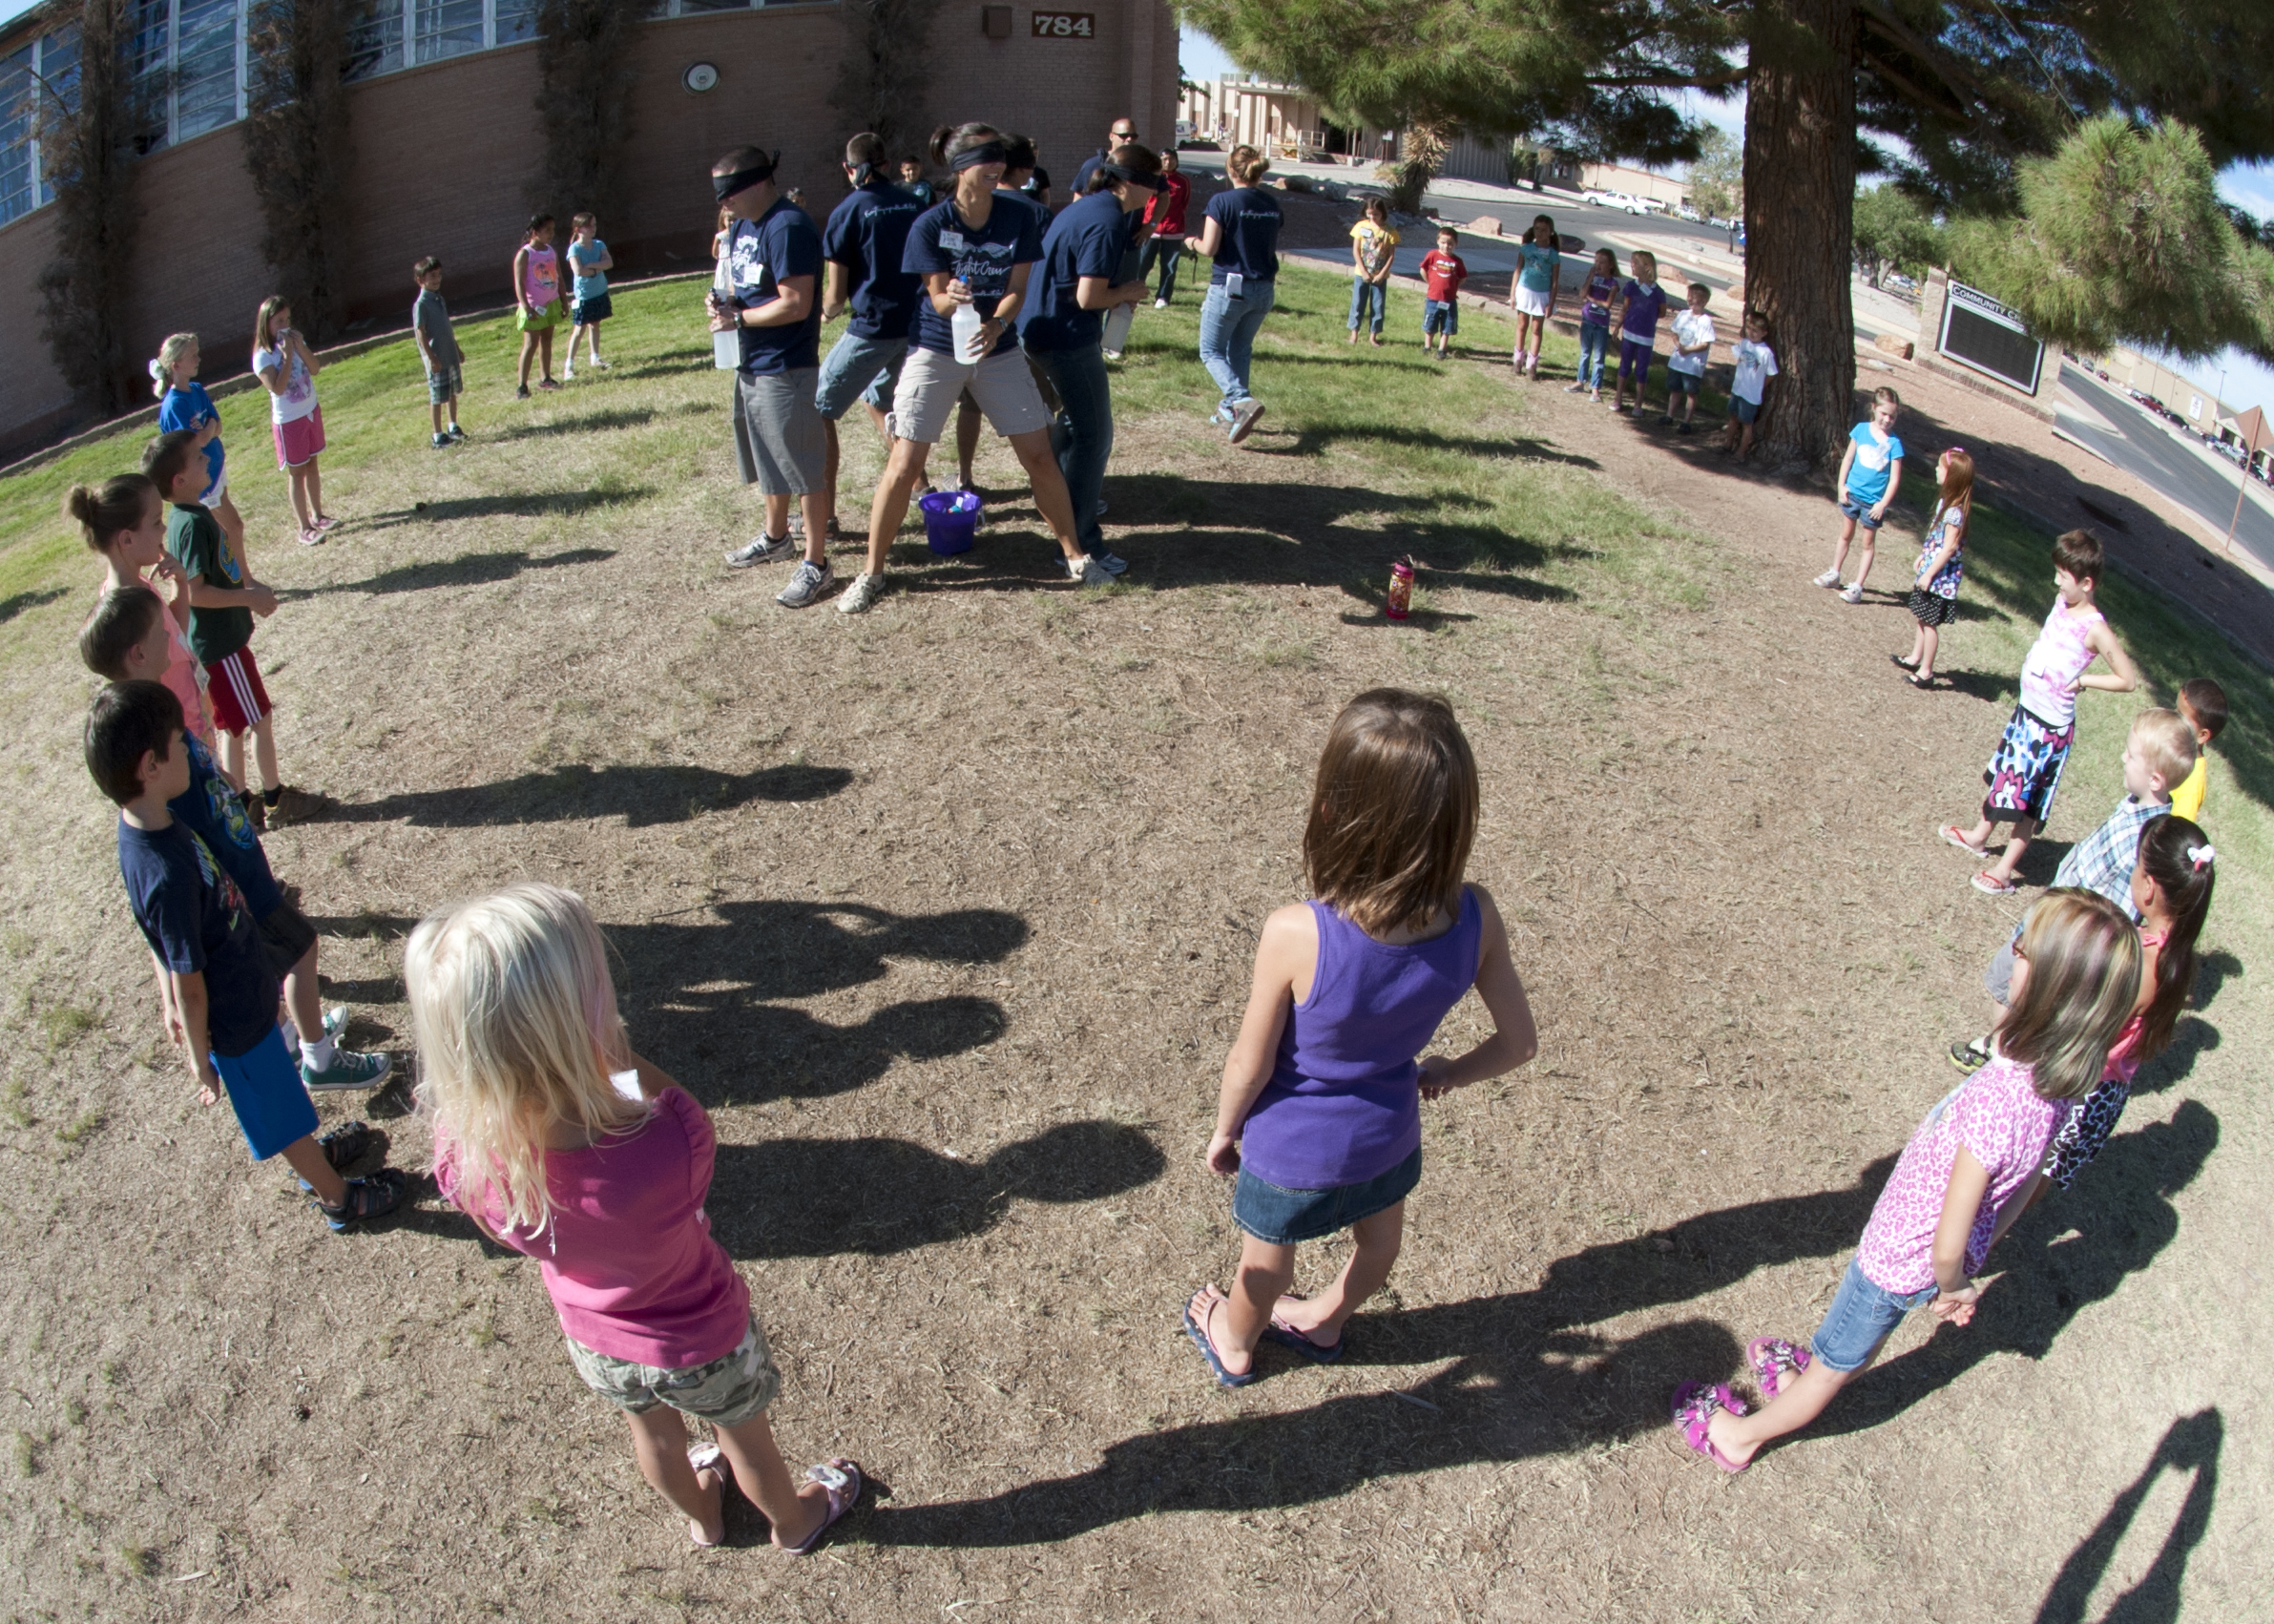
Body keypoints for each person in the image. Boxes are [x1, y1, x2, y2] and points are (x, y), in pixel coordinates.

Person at [415, 884, 861, 1552]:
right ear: (581, 1019)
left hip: (595, 1340)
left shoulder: (465, 1156)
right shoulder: (667, 1142)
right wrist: (611, 1052)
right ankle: (795, 1522)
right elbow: (673, 1104)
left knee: (652, 1437)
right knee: (747, 1442)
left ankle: (703, 1519)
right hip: (702, 1337)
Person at [1672, 889, 2139, 1471]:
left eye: (2020, 950)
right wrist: (1977, 1254)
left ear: (2048, 986)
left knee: (1835, 1365)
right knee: (1856, 1346)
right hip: (1923, 1259)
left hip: (1899, 1255)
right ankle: (1814, 1371)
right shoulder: (2059, 1084)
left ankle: (1742, 1435)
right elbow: (2017, 1193)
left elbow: (1949, 1236)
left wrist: (1956, 1282)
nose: (2009, 956)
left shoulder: (2003, 1097)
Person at [1182, 690, 1539, 1385]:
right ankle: (1325, 1318)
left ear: (1332, 813)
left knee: (1264, 1261)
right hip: (1388, 1136)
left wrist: (1225, 1130)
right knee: (1378, 1241)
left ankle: (1233, 1340)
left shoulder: (1297, 931)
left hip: (1291, 1149)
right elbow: (1518, 1044)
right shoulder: (1477, 916)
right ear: (1455, 818)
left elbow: (1248, 1062)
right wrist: (1444, 1071)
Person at [86, 681, 407, 1229]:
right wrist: (197, 1054)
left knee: (284, 1094)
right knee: (277, 1116)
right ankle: (338, 1199)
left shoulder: (159, 819)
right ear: (149, 764)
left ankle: (315, 1159)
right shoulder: (161, 869)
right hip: (233, 1024)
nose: (190, 748)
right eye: (177, 742)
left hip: (247, 991)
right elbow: (185, 976)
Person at [80, 590, 393, 1093]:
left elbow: (193, 772)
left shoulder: (149, 714)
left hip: (240, 869)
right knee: (302, 950)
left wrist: (217, 773)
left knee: (280, 966)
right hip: (237, 881)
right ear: (138, 654)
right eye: (160, 632)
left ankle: (296, 1034)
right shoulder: (145, 738)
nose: (171, 637)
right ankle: (318, 1057)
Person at [843, 122, 1114, 615]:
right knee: (904, 463)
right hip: (936, 347)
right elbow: (936, 297)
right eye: (987, 159)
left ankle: (1076, 556)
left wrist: (995, 324)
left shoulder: (1019, 216)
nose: (998, 168)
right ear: (961, 166)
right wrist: (955, 300)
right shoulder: (930, 224)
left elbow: (1018, 288)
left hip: (998, 348)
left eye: (1000, 159)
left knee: (1038, 455)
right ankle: (871, 573)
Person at [1947, 706, 2195, 1071]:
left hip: (2065, 936)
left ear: (2155, 779)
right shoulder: (2136, 811)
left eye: (2131, 754)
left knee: (2014, 987)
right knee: (2013, 984)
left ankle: (1999, 1053)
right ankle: (2004, 1047)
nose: (2122, 757)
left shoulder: (2147, 842)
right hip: (2055, 917)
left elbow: (2120, 913)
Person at [1938, 530, 2141, 894]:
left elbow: (2127, 680)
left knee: (2028, 802)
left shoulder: (2095, 628)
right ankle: (1978, 836)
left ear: (2087, 582)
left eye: (2063, 576)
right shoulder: (2061, 603)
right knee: (2004, 778)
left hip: (2050, 731)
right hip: (2026, 715)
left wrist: (2085, 682)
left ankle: (2003, 871)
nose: (2055, 581)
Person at [2030, 818, 2214, 1200]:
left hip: (2082, 1086)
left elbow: (2093, 1026)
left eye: (2136, 866)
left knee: (2027, 1171)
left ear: (2147, 887)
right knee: (2037, 1175)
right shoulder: (2173, 954)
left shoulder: (2143, 963)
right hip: (2105, 1088)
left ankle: (1985, 1235)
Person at [1019, 142, 1162, 585]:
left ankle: (1059, 512)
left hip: (1039, 329)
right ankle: (1081, 543)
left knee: (1073, 428)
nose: (1157, 191)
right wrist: (1129, 293)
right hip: (1065, 338)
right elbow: (1088, 297)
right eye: (1155, 182)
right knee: (1095, 437)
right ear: (1134, 183)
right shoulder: (1105, 220)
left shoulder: (1089, 207)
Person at [706, 145, 835, 609]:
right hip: (751, 362)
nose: (722, 203)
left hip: (787, 365)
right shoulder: (742, 224)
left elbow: (795, 303)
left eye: (728, 193)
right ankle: (776, 537)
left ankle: (817, 562)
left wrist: (738, 320)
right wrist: (723, 304)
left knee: (801, 465)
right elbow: (745, 287)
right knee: (766, 457)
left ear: (757, 183)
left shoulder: (789, 226)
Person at [147, 428, 292, 826]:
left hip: (219, 647)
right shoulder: (191, 524)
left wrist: (249, 585)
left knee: (234, 727)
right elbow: (197, 592)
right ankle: (277, 800)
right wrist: (249, 598)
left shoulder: (189, 515)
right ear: (179, 480)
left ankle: (244, 803)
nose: (207, 460)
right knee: (259, 719)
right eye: (197, 458)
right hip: (221, 648)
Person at [798, 133, 926, 568]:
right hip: (917, 324)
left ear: (849, 168)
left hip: (873, 328)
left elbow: (834, 297)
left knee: (816, 409)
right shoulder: (914, 202)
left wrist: (821, 314)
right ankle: (922, 490)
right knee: (883, 401)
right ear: (887, 163)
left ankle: (825, 515)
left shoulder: (846, 212)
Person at [72, 471, 216, 758]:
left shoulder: (139, 584)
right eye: (155, 523)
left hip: (194, 719)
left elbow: (176, 634)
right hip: (178, 738)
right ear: (126, 539)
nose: (164, 530)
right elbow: (146, 688)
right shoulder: (124, 609)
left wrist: (180, 585)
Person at [949, 134, 1051, 495]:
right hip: (1014, 327)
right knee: (1038, 411)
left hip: (992, 330)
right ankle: (1047, 479)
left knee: (974, 407)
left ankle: (964, 475)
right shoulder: (1036, 211)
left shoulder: (1020, 213)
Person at [1195, 144, 1282, 445]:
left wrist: (1191, 243)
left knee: (1210, 350)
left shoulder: (1222, 201)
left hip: (1231, 288)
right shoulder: (1272, 204)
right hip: (1264, 288)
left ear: (1230, 170)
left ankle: (1240, 399)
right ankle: (1231, 411)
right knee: (1240, 349)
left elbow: (1209, 248)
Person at [151, 333, 248, 563]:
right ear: (176, 365)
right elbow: (195, 444)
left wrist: (209, 427)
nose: (198, 359)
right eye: (192, 356)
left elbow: (218, 425)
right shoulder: (174, 404)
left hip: (214, 469)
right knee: (231, 527)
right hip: (200, 479)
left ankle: (237, 581)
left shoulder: (196, 389)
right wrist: (207, 429)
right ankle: (244, 581)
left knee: (227, 529)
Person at [250, 297, 332, 545]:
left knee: (313, 464)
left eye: (288, 319)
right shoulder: (263, 357)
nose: (285, 326)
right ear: (266, 324)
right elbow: (277, 387)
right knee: (297, 473)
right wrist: (286, 357)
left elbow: (315, 368)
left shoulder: (297, 341)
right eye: (279, 321)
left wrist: (300, 348)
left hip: (310, 411)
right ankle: (304, 527)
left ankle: (317, 515)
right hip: (289, 421)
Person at [1813, 386, 1904, 603]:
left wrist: (1882, 504)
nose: (1887, 419)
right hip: (1852, 494)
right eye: (1884, 413)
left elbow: (1894, 479)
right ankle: (1834, 573)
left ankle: (1857, 586)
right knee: (1845, 534)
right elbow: (1848, 459)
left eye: (1892, 416)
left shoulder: (1894, 444)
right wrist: (1841, 485)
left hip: (1873, 503)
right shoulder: (1861, 430)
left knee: (1867, 544)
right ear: (1873, 408)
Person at [1893, 448, 1972, 687]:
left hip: (1939, 578)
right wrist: (1923, 556)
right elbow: (1935, 540)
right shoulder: (1945, 504)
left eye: (1940, 467)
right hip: (1931, 571)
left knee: (1929, 623)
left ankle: (1926, 671)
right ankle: (1916, 657)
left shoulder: (1954, 513)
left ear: (1951, 476)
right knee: (1921, 615)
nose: (1936, 469)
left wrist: (1929, 572)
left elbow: (1948, 548)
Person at [411, 258, 466, 448]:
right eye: (432, 276)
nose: (437, 279)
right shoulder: (421, 305)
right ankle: (437, 435)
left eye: (439, 275)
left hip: (449, 355)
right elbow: (421, 333)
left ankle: (453, 426)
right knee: (437, 397)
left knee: (451, 392)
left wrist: (457, 348)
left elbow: (447, 328)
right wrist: (431, 357)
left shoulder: (439, 299)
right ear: (420, 280)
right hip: (437, 360)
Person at [1609, 251, 1669, 415]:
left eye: (1635, 263)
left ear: (1647, 267)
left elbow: (1662, 312)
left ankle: (1638, 404)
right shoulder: (1631, 286)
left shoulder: (1658, 292)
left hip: (1646, 337)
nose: (1632, 266)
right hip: (1629, 333)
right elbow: (1625, 307)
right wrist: (1618, 326)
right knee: (1624, 366)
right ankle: (1618, 398)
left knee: (1641, 370)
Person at [513, 214, 565, 397]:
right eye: (547, 230)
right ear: (535, 232)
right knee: (531, 343)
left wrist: (563, 301)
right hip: (533, 307)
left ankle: (546, 378)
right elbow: (519, 283)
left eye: (552, 230)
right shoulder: (525, 254)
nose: (551, 234)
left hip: (551, 303)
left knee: (547, 340)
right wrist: (526, 307)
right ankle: (522, 386)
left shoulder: (551, 251)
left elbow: (558, 277)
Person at [1137, 150, 1192, 307]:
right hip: (1151, 228)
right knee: (1143, 262)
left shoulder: (1183, 181)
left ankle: (1163, 296)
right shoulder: (1151, 178)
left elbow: (1184, 203)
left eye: (1172, 159)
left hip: (1173, 229)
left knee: (1169, 265)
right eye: (1165, 159)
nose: (1168, 162)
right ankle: (1136, 292)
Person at [564, 214, 615, 380]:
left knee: (595, 324)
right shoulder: (574, 249)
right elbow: (578, 270)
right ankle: (569, 366)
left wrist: (592, 266)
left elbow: (609, 263)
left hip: (599, 291)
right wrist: (597, 268)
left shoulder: (599, 244)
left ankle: (595, 357)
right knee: (579, 329)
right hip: (584, 296)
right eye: (589, 226)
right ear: (578, 229)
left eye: (594, 225)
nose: (593, 228)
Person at [1721, 307, 1777, 459]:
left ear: (1764, 333)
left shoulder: (1766, 353)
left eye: (1756, 331)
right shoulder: (1744, 343)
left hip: (1751, 394)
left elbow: (1772, 373)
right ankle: (1728, 444)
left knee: (1747, 424)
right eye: (1749, 328)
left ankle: (1741, 453)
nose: (1751, 333)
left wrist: (1760, 386)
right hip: (1738, 389)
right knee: (1733, 417)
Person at [1564, 248, 1618, 401]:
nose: (1598, 265)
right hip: (1588, 319)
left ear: (1611, 265)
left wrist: (1593, 300)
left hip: (1601, 323)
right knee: (1585, 352)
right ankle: (1580, 381)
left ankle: (1595, 388)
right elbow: (1582, 294)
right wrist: (1590, 277)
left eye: (1602, 262)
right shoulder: (1593, 277)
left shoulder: (1613, 284)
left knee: (1599, 356)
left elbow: (1607, 304)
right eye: (1596, 261)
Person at [1509, 214, 1559, 378]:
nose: (1540, 233)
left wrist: (1551, 303)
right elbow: (1518, 270)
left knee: (1536, 328)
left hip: (1542, 294)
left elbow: (1554, 281)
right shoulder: (1526, 248)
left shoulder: (1553, 255)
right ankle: (1518, 360)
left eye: (1544, 230)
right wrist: (1513, 293)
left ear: (1551, 232)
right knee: (1522, 325)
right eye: (1537, 229)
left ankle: (1532, 365)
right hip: (1525, 290)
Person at [2170, 678, 2224, 824]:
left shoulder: (2191, 788)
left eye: (2180, 715)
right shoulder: (2175, 752)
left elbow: (2176, 830)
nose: (2172, 716)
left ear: (2202, 735)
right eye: (2175, 709)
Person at [1660, 282, 1713, 430]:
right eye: (1688, 296)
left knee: (1691, 392)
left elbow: (1705, 344)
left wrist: (1689, 349)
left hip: (1692, 364)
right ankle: (1669, 415)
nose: (1689, 299)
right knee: (1674, 389)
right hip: (1678, 361)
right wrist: (1678, 345)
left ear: (1703, 301)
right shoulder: (1683, 314)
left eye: (1693, 297)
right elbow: (1674, 332)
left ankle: (1686, 422)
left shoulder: (1705, 321)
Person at [1346, 197, 1398, 345]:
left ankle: (1373, 336)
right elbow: (1356, 250)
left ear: (1382, 213)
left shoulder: (1390, 232)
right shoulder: (1360, 226)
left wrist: (1382, 274)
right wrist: (1363, 271)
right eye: (1369, 213)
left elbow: (1391, 255)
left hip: (1380, 276)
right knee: (1357, 303)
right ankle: (1354, 334)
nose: (1372, 217)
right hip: (1361, 274)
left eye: (1376, 214)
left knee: (1378, 305)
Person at [1418, 226, 1466, 358]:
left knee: (1447, 325)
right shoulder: (1432, 255)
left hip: (1449, 300)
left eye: (1450, 244)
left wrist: (1454, 286)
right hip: (1433, 298)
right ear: (1438, 241)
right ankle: (1427, 346)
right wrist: (1430, 282)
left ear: (1456, 244)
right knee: (1430, 323)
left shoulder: (1457, 261)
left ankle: (1442, 349)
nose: (1446, 246)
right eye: (1443, 243)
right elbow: (1423, 269)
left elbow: (1463, 277)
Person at [1073, 115, 1139, 197]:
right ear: (1111, 136)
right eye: (1124, 135)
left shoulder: (1140, 166)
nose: (1129, 139)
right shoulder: (1093, 165)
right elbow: (1078, 199)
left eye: (1134, 136)